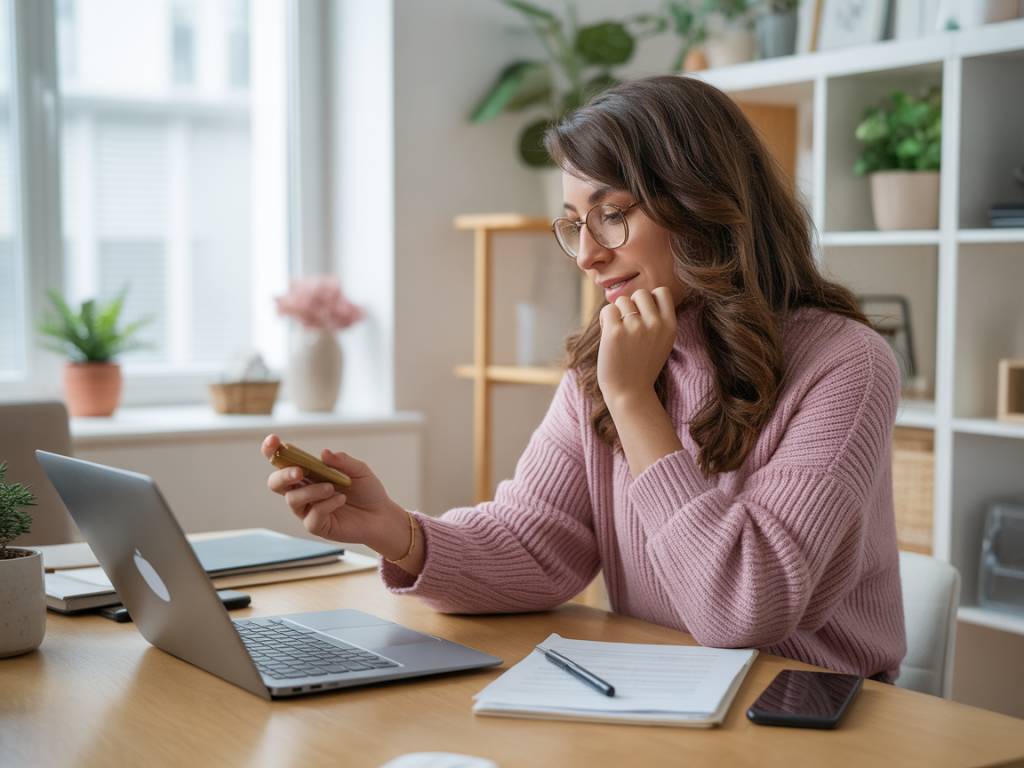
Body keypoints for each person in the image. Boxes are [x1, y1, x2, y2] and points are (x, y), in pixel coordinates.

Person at [263, 75, 907, 682]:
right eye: (575, 225)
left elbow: (743, 608)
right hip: (666, 695)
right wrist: (395, 533)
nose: (590, 254)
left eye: (613, 214)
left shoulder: (844, 364)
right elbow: (537, 543)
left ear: (705, 206)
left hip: (813, 717)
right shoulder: (611, 359)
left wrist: (633, 401)